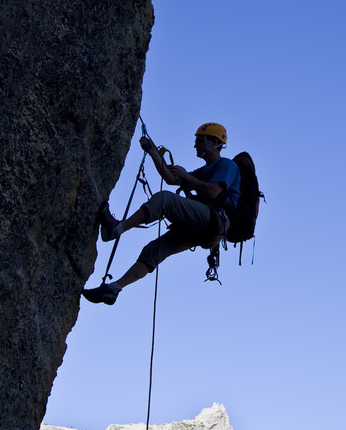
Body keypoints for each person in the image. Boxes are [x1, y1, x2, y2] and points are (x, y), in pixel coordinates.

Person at [82, 123, 241, 305]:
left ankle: (116, 228)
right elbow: (171, 178)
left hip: (215, 219)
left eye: (199, 141)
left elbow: (213, 192)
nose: (195, 145)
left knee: (165, 200)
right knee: (155, 250)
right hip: (206, 228)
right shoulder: (203, 171)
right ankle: (114, 289)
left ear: (213, 141)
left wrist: (187, 178)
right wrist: (152, 151)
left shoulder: (227, 165)